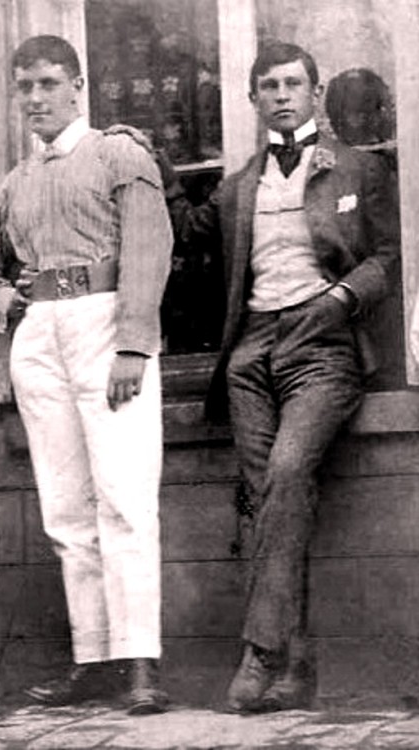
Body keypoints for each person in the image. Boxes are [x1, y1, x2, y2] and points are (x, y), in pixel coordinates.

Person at [161, 41, 400, 713]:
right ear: (253, 99)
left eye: (293, 83)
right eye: (269, 86)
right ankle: (296, 663)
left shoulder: (357, 167)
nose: (282, 95)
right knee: (266, 495)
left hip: (323, 345)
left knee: (288, 474)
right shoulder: (240, 184)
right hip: (251, 353)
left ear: (315, 92)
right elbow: (185, 230)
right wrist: (155, 165)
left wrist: (341, 298)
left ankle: (261, 652)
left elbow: (388, 254)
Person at [0, 35, 173, 715]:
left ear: (79, 86)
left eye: (49, 83)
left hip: (108, 327)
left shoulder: (118, 153)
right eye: (24, 87)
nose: (35, 98)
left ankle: (140, 666)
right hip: (41, 336)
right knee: (66, 511)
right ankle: (94, 660)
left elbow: (150, 245)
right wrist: (6, 302)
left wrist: (134, 344)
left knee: (124, 500)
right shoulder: (19, 180)